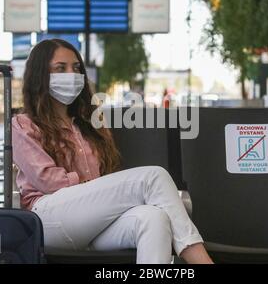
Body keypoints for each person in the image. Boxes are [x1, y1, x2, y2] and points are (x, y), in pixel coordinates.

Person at [12, 39, 213, 264]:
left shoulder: (90, 124)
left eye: (77, 68)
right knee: (153, 177)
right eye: (60, 68)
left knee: (153, 218)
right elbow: (47, 181)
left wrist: (102, 193)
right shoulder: (23, 125)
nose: (72, 74)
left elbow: (107, 178)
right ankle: (201, 260)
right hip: (47, 218)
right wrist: (95, 188)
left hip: (93, 220)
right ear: (41, 75)